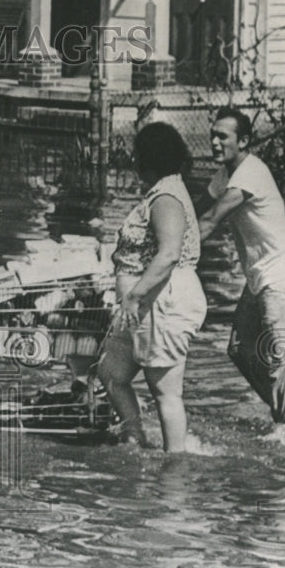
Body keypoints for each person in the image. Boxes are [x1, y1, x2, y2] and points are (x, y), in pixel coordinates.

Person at [194, 107, 285, 425]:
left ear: (243, 141)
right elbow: (195, 209)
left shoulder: (250, 173)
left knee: (281, 362)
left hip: (281, 279)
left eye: (222, 136)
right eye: (212, 135)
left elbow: (209, 220)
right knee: (240, 350)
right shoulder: (225, 174)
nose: (214, 142)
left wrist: (166, 255)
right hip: (259, 278)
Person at [98, 122, 207, 453]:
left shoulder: (167, 197)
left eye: (136, 154)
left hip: (162, 300)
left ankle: (175, 464)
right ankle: (135, 437)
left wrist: (133, 294)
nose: (132, 161)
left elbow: (170, 253)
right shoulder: (161, 191)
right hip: (143, 303)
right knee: (112, 372)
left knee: (166, 391)